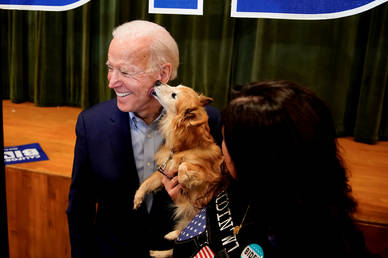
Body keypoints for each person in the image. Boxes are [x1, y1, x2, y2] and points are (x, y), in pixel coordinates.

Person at [66, 20, 222, 258]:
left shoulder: (206, 122)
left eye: (126, 71)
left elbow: (222, 201)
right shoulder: (91, 123)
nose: (112, 81)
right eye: (110, 68)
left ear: (163, 73)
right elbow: (80, 209)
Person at [171, 80, 372, 257]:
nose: (221, 145)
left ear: (255, 163)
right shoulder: (245, 184)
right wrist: (192, 199)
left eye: (227, 141)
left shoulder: (296, 240)